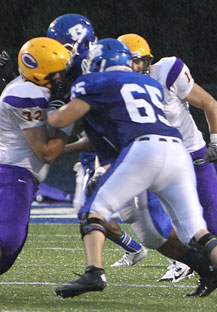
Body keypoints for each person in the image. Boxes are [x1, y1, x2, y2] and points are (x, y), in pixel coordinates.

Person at [49, 38, 217, 304]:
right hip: (176, 150)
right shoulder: (148, 84)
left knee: (95, 211)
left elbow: (62, 120)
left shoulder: (95, 82)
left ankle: (94, 272)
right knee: (196, 230)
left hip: (143, 151)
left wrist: (49, 110)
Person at [117, 33, 217, 278]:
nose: (131, 68)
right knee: (162, 217)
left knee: (213, 225)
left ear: (147, 60)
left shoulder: (167, 71)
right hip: (156, 157)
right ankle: (182, 261)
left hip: (190, 152)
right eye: (125, 62)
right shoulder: (118, 89)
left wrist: (216, 140)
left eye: (136, 61)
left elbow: (209, 103)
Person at [47, 13, 149, 266]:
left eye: (62, 46)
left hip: (123, 145)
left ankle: (190, 256)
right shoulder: (76, 67)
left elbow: (65, 119)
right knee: (93, 209)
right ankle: (131, 250)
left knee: (141, 210)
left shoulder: (91, 66)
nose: (57, 52)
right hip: (103, 144)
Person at [0, 37, 72, 274]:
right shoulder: (23, 94)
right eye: (57, 74)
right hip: (11, 171)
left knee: (7, 254)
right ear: (40, 74)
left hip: (21, 175)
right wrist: (69, 122)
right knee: (8, 239)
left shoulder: (32, 86)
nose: (62, 78)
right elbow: (47, 152)